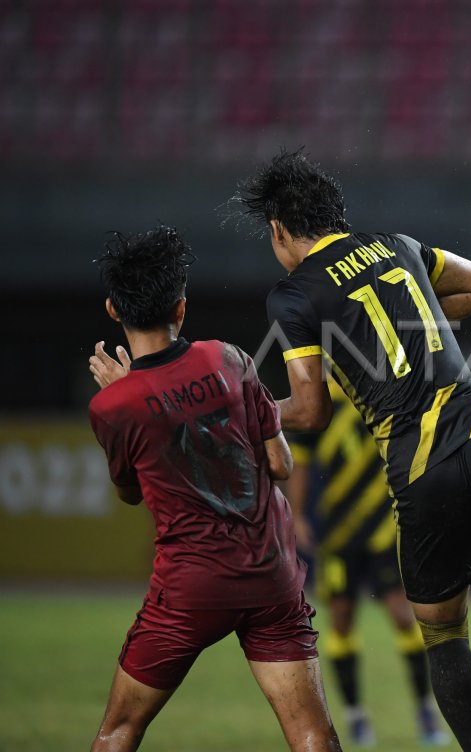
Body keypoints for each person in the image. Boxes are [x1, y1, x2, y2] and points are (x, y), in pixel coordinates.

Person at [238, 149, 471, 752]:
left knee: (443, 636)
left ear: (281, 230)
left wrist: (243, 408)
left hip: (417, 466)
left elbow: (309, 411)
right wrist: (422, 328)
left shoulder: (293, 295)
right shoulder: (400, 245)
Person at [84, 226, 342, 752]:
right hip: (271, 574)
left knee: (120, 729)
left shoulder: (112, 407)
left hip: (191, 589)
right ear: (181, 307)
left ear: (113, 309)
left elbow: (131, 492)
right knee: (311, 731)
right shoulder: (228, 359)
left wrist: (131, 392)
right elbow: (279, 462)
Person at [284, 381, 449, 748]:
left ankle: (425, 708)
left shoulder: (381, 391)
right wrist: (296, 515)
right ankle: (356, 715)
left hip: (384, 529)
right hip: (338, 533)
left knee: (404, 617)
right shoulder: (318, 400)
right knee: (341, 619)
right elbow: (302, 463)